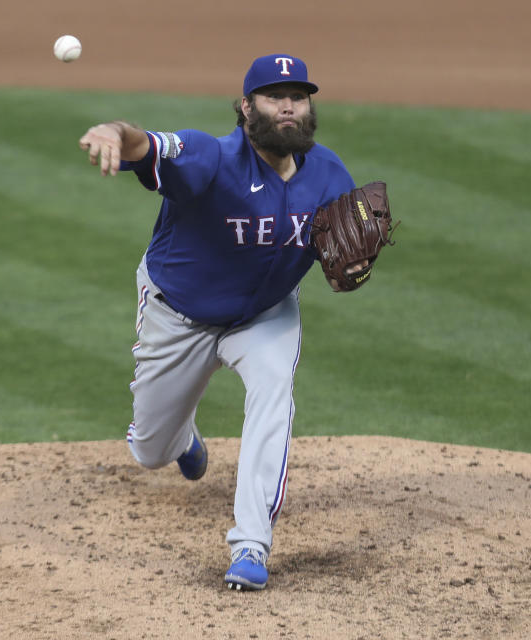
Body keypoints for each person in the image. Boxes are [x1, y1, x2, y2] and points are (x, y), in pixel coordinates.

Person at [78, 54, 359, 591]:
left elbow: (342, 250)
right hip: (178, 315)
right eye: (274, 95)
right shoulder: (211, 158)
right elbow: (148, 146)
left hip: (265, 315)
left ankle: (251, 542)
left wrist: (352, 263)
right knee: (149, 451)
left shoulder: (329, 173)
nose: (287, 106)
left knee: (275, 389)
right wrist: (115, 131)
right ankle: (182, 438)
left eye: (297, 96)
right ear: (245, 107)